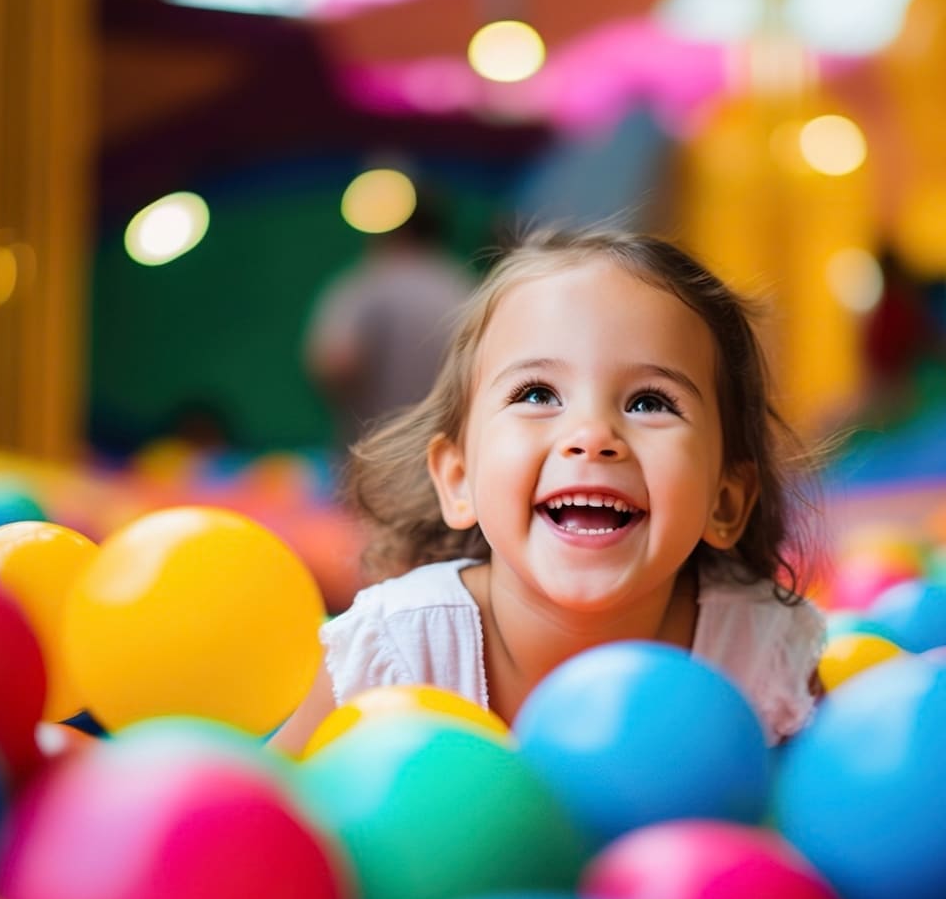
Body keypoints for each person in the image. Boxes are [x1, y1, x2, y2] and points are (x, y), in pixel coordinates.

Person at [271, 228, 828, 752]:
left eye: (649, 402)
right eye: (538, 394)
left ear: (725, 501)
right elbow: (273, 803)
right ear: (458, 479)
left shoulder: (759, 658)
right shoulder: (397, 651)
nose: (592, 437)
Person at [303, 197, 476, 444]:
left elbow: (336, 362)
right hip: (450, 449)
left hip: (376, 453)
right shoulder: (461, 286)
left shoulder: (365, 286)